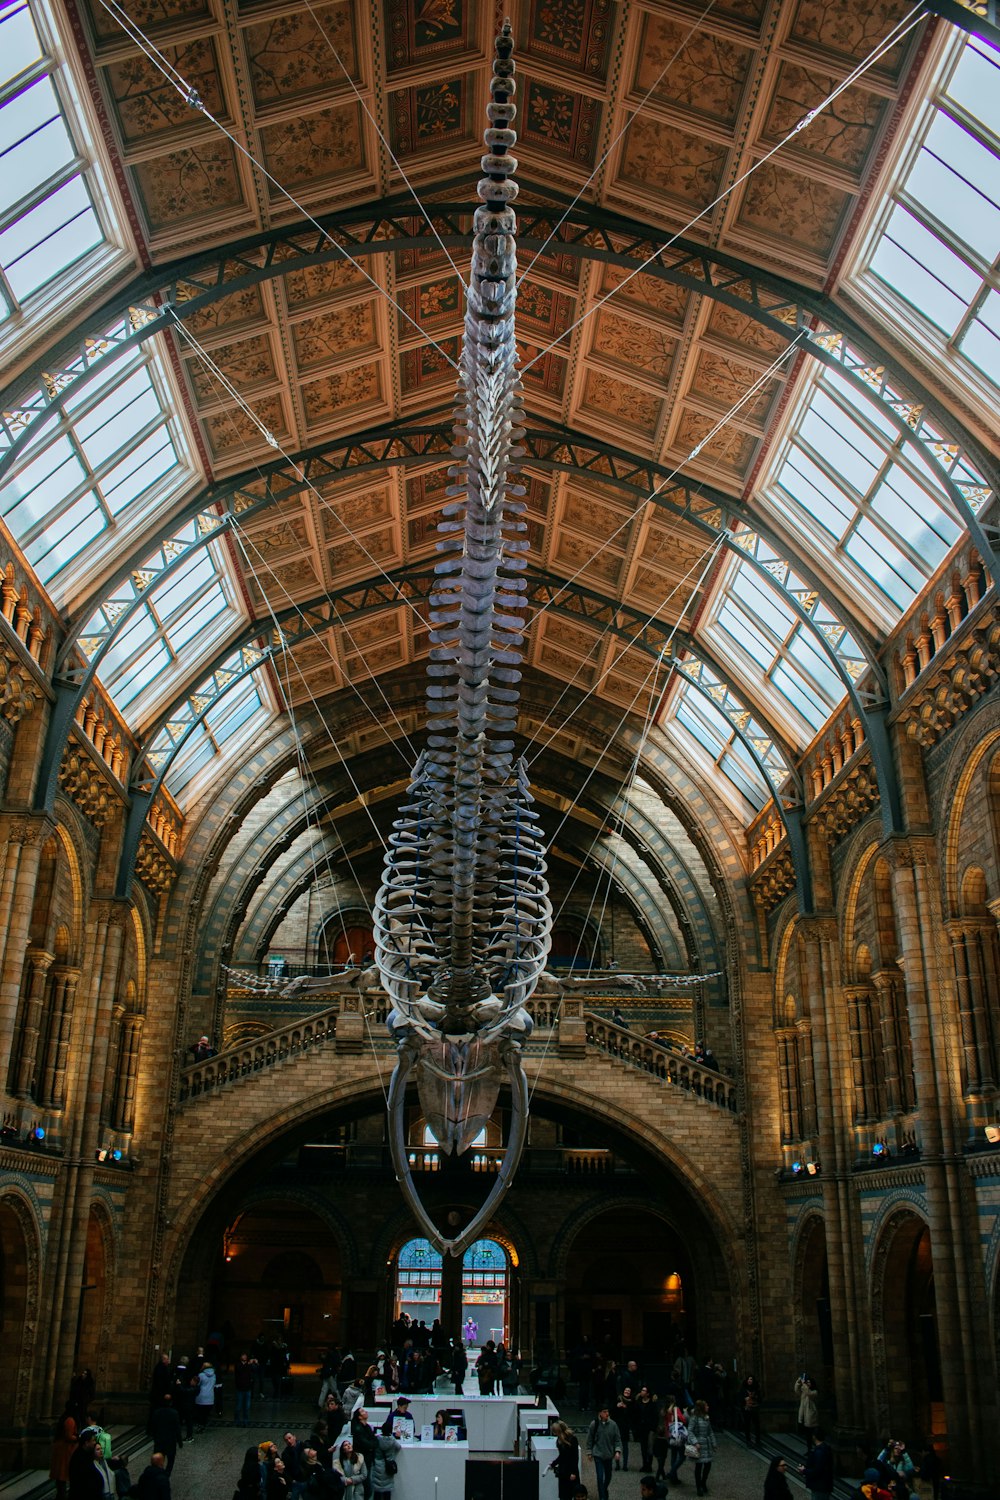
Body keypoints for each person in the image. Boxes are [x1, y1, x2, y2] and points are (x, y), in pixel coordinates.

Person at [586, 1405, 623, 1500]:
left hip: (608, 1455)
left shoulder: (613, 1425)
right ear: (600, 1414)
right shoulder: (594, 1424)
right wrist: (589, 1452)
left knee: (608, 1476)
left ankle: (604, 1488)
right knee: (599, 1477)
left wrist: (617, 1451)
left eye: (607, 1411)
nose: (607, 1413)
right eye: (604, 1411)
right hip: (598, 1454)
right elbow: (590, 1439)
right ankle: (602, 1497)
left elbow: (617, 1440)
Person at [686, 1399, 716, 1496]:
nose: (708, 1407)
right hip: (699, 1445)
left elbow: (710, 1431)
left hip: (706, 1445)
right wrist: (695, 1442)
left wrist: (713, 1443)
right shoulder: (694, 1418)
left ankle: (703, 1482)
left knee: (708, 1465)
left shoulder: (706, 1417)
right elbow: (690, 1431)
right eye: (706, 1406)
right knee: (699, 1466)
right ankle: (699, 1486)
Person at [149, 1394, 182, 1474]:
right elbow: (177, 1428)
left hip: (159, 1440)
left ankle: (158, 1473)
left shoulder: (157, 1412)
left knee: (158, 1458)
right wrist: (179, 1441)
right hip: (170, 1440)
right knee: (171, 1460)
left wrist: (154, 1436)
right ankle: (166, 1474)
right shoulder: (174, 1413)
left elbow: (153, 1426)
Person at [50, 1405, 78, 1499]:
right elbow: (69, 1436)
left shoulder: (65, 1418)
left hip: (61, 1449)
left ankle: (61, 1495)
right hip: (65, 1450)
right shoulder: (70, 1420)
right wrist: (78, 1438)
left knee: (60, 1476)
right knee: (62, 1474)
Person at [549, 1420, 581, 1500]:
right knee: (564, 1495)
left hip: (571, 1470)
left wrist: (573, 1472)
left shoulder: (572, 1439)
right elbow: (562, 1456)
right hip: (563, 1471)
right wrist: (553, 1463)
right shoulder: (559, 1441)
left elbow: (575, 1457)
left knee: (572, 1493)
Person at [802, 1428, 834, 1500]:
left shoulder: (819, 1452)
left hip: (819, 1486)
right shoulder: (826, 1449)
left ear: (814, 1436)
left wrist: (804, 1471)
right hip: (824, 1485)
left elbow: (817, 1470)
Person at [371, 1430, 401, 1500]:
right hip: (388, 1466)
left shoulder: (377, 1439)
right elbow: (398, 1447)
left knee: (377, 1491)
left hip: (377, 1465)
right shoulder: (392, 1440)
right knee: (387, 1491)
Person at [795, 1375, 819, 1450]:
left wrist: (804, 1384)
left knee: (813, 1434)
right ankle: (809, 1449)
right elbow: (797, 1390)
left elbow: (809, 1393)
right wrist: (798, 1382)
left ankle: (816, 1447)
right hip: (804, 1414)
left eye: (809, 1382)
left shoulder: (814, 1392)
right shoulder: (804, 1391)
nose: (808, 1383)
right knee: (807, 1435)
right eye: (807, 1382)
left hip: (811, 1415)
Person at [234, 1351, 255, 1427]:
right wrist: (248, 1364)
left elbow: (255, 1370)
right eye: (243, 1355)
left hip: (248, 1388)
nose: (244, 1357)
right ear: (240, 1357)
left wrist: (255, 1363)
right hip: (240, 1389)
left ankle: (246, 1421)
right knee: (238, 1407)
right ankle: (237, 1421)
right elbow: (240, 1370)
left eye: (245, 1355)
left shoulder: (249, 1365)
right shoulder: (238, 1364)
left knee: (247, 1407)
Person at [741, 1374, 762, 1447]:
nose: (749, 1381)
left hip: (755, 1408)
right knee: (747, 1425)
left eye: (751, 1379)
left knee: (757, 1425)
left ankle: (758, 1440)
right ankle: (748, 1440)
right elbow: (741, 1398)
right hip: (747, 1409)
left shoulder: (756, 1389)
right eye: (748, 1379)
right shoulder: (744, 1389)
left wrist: (755, 1398)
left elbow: (760, 1398)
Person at [194, 1359, 217, 1428]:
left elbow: (198, 1384)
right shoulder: (214, 1375)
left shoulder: (201, 1375)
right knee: (206, 1414)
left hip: (201, 1396)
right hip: (210, 1397)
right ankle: (204, 1424)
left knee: (200, 1413)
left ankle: (200, 1425)